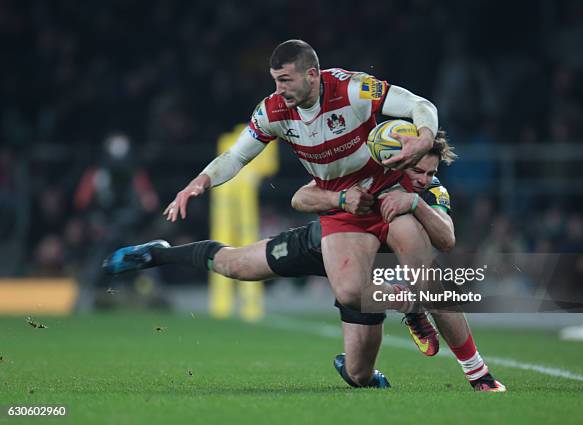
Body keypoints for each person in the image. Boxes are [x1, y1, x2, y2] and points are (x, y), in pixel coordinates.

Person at [104, 137, 506, 392]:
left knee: (362, 376)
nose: (423, 177)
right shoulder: (367, 171)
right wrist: (340, 201)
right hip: (328, 246)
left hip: (370, 279)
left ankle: (450, 351)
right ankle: (158, 252)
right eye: (417, 169)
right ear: (400, 158)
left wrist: (416, 201)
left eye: (431, 172)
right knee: (235, 266)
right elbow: (300, 197)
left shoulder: (428, 193)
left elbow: (448, 238)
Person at [162, 39, 438, 316]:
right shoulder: (272, 111)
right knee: (352, 296)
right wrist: (200, 181)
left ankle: (470, 359)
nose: (279, 89)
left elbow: (420, 105)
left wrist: (424, 138)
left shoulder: (354, 87)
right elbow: (236, 156)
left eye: (285, 80)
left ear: (312, 74)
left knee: (432, 288)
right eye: (275, 81)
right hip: (339, 208)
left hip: (387, 191)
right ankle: (409, 306)